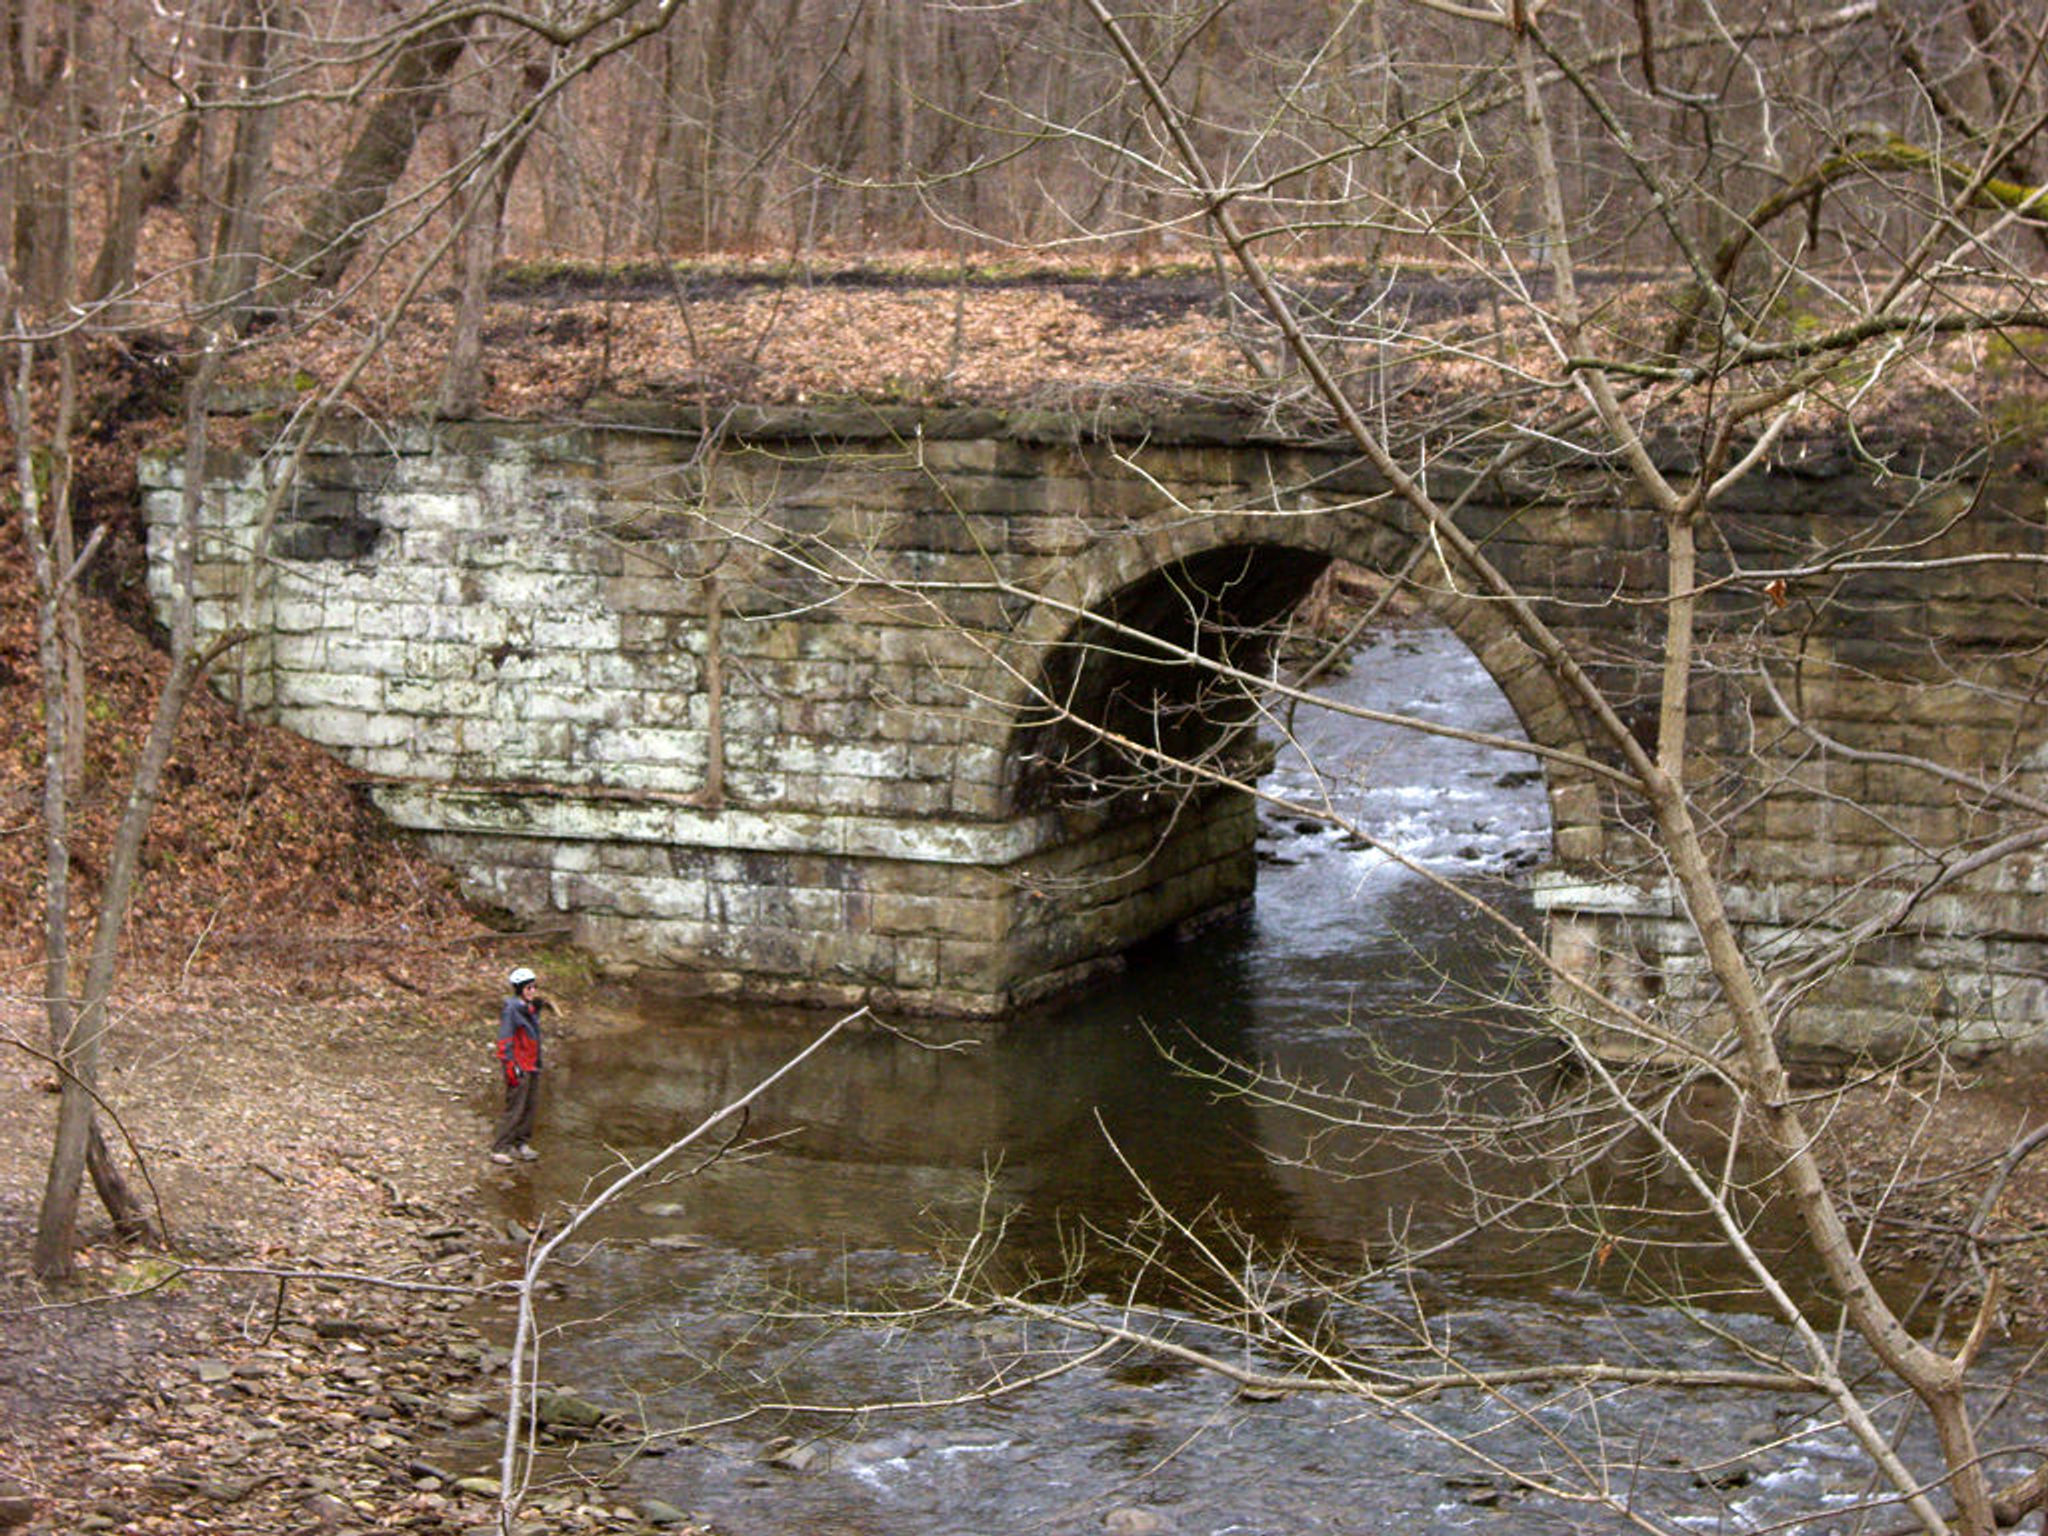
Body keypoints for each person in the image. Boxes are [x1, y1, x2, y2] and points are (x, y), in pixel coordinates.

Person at [490, 966, 545, 1165]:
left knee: (530, 1107)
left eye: (534, 986)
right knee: (515, 1108)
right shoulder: (512, 1009)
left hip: (532, 1065)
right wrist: (510, 1065)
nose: (532, 990)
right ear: (519, 989)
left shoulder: (530, 1009)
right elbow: (505, 1040)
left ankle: (521, 1143)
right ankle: (500, 1147)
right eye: (528, 987)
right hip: (518, 1066)